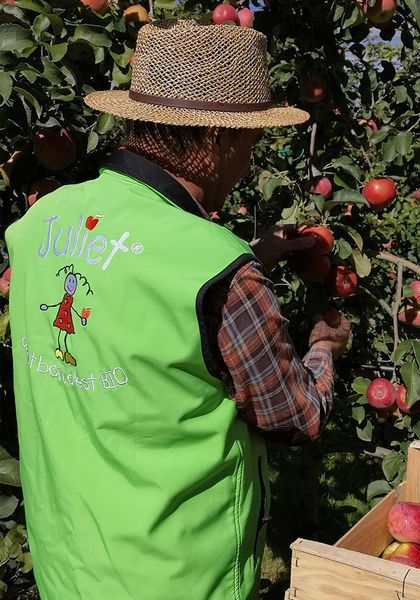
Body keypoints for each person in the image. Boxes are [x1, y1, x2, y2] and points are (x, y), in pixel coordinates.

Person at [5, 19, 350, 600]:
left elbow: (122, 284)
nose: (248, 161)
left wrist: (245, 260)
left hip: (69, 562)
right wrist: (324, 348)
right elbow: (296, 415)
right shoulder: (219, 273)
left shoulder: (43, 220)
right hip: (176, 577)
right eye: (249, 142)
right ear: (218, 142)